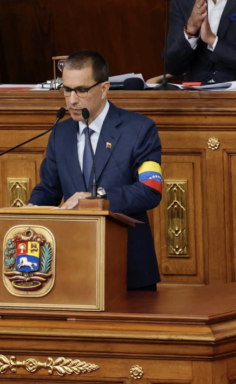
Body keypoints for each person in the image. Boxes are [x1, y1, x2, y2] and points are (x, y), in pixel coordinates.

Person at [27, 50, 162, 290]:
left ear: (104, 88)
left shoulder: (139, 129)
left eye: (81, 90)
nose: (71, 100)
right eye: (66, 90)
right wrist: (31, 210)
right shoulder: (61, 133)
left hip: (126, 267)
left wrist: (97, 199)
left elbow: (149, 190)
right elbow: (48, 188)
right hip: (72, 266)